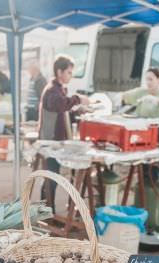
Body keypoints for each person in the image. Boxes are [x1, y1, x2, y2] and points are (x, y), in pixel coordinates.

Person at [38, 55, 89, 210]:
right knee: (51, 178)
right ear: (59, 72)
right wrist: (78, 99)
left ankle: (48, 211)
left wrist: (78, 110)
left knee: (54, 176)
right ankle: (45, 213)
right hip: (50, 141)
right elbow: (60, 105)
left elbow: (64, 111)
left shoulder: (60, 89)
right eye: (69, 72)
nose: (70, 75)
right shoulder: (52, 90)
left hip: (57, 141)